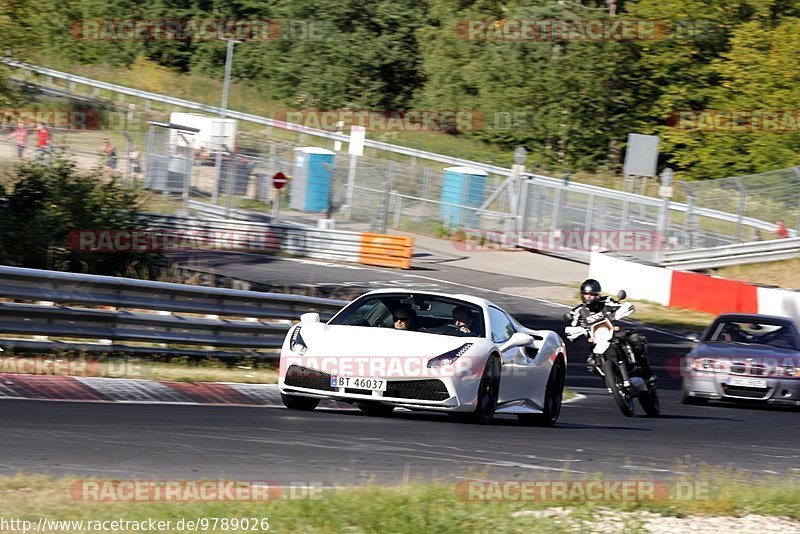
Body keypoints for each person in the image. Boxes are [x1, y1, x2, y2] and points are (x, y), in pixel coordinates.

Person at [566, 278, 655, 384]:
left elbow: (619, 306)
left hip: (612, 334)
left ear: (598, 295)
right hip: (595, 341)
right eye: (586, 294)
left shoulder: (606, 301)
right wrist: (575, 332)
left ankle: (646, 374)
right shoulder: (578, 311)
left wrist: (620, 311)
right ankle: (613, 381)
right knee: (591, 364)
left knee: (636, 338)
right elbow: (573, 327)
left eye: (592, 294)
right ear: (582, 295)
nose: (589, 297)